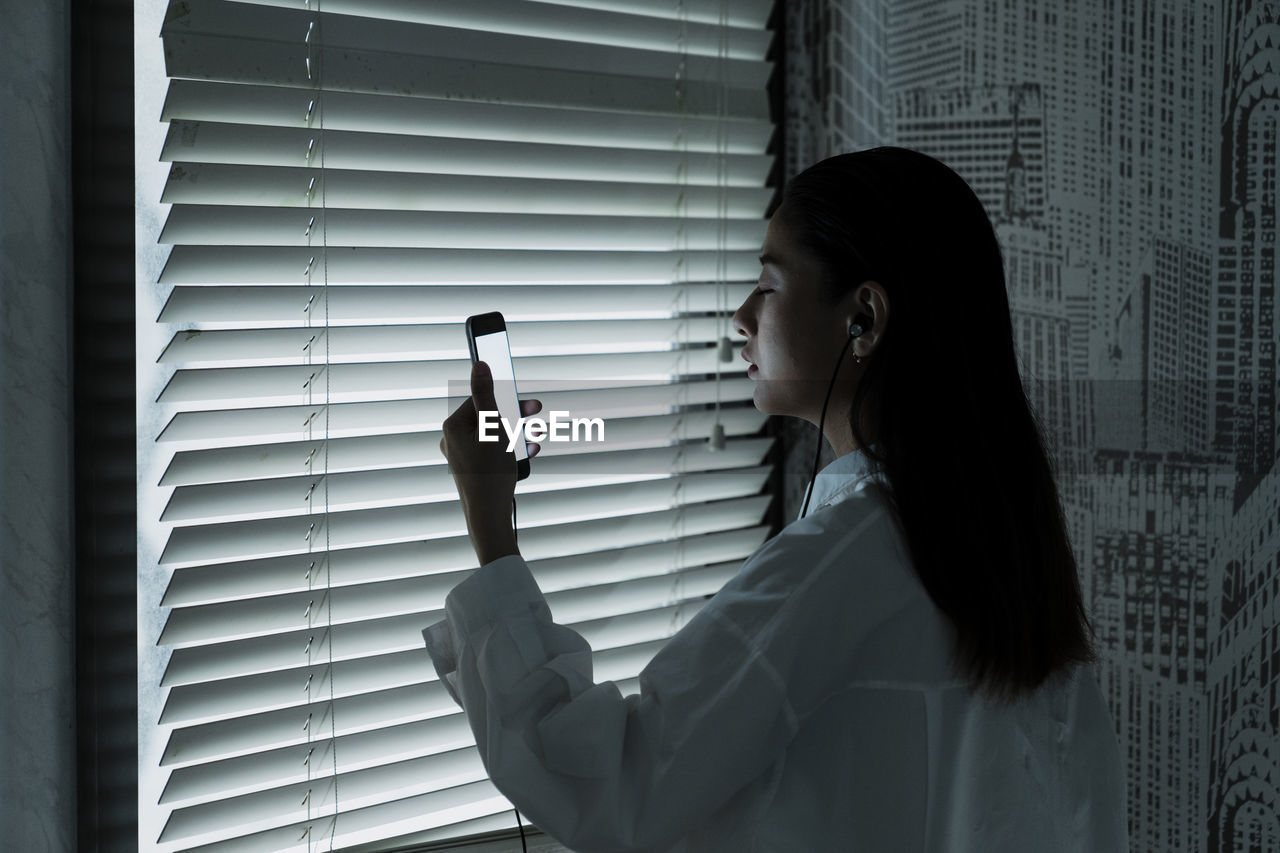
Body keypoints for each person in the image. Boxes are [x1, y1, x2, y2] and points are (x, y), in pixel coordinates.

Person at [426, 146, 1129, 851]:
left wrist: (489, 519)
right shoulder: (1004, 558)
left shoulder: (847, 561)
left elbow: (610, 785)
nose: (740, 315)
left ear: (865, 319)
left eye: (768, 281)